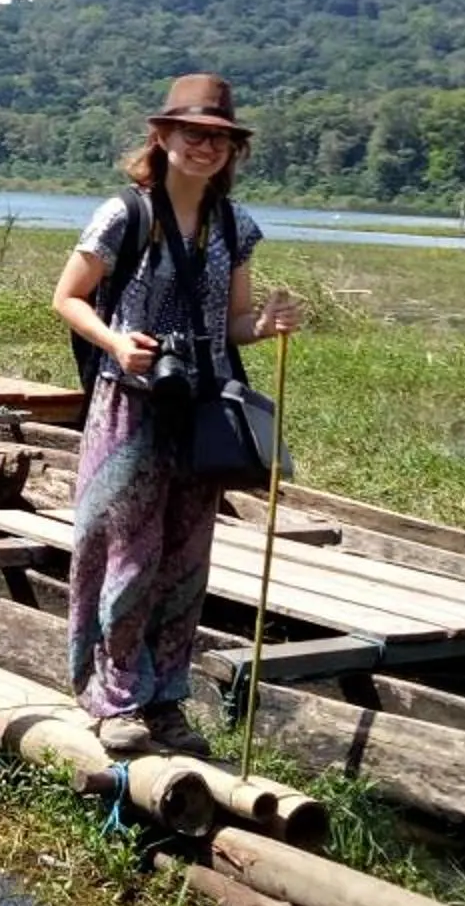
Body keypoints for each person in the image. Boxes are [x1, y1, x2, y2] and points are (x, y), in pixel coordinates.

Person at [49, 74, 303, 758]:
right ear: (161, 137)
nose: (206, 148)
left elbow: (234, 324)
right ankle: (114, 697)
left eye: (220, 139)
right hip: (130, 403)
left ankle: (166, 700)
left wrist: (268, 323)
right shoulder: (124, 214)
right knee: (127, 552)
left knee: (188, 558)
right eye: (194, 134)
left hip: (201, 407)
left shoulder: (234, 227)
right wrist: (114, 341)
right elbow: (67, 297)